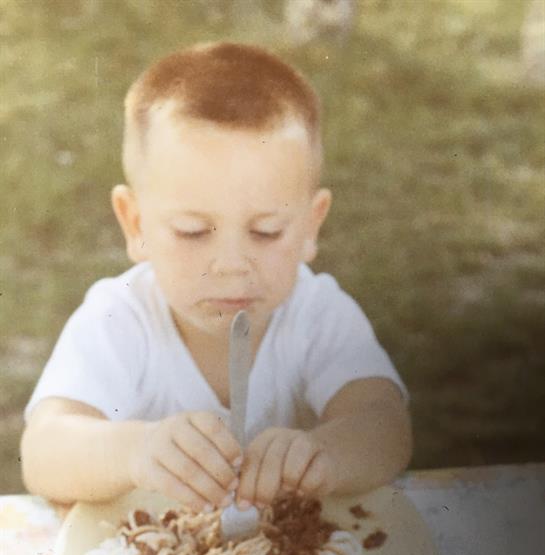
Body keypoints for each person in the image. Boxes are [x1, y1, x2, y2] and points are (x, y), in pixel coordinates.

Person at [21, 42, 412, 511]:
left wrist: (325, 454)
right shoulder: (119, 317)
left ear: (311, 225)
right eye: (192, 232)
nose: (231, 264)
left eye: (266, 232)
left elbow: (385, 424)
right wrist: (135, 451)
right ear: (135, 225)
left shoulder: (316, 313)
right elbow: (44, 450)